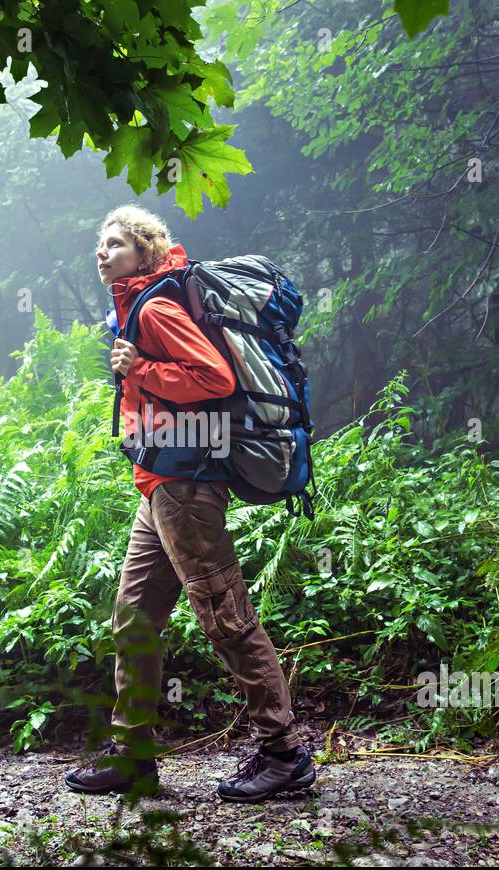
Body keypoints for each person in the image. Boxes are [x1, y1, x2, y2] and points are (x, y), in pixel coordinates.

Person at [64, 204, 315, 803]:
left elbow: (215, 379)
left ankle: (284, 754)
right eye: (100, 243)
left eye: (117, 244)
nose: (103, 252)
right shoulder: (133, 304)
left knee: (223, 614)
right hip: (159, 483)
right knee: (134, 617)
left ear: (146, 253)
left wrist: (143, 368)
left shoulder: (157, 306)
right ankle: (134, 757)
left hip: (187, 484)